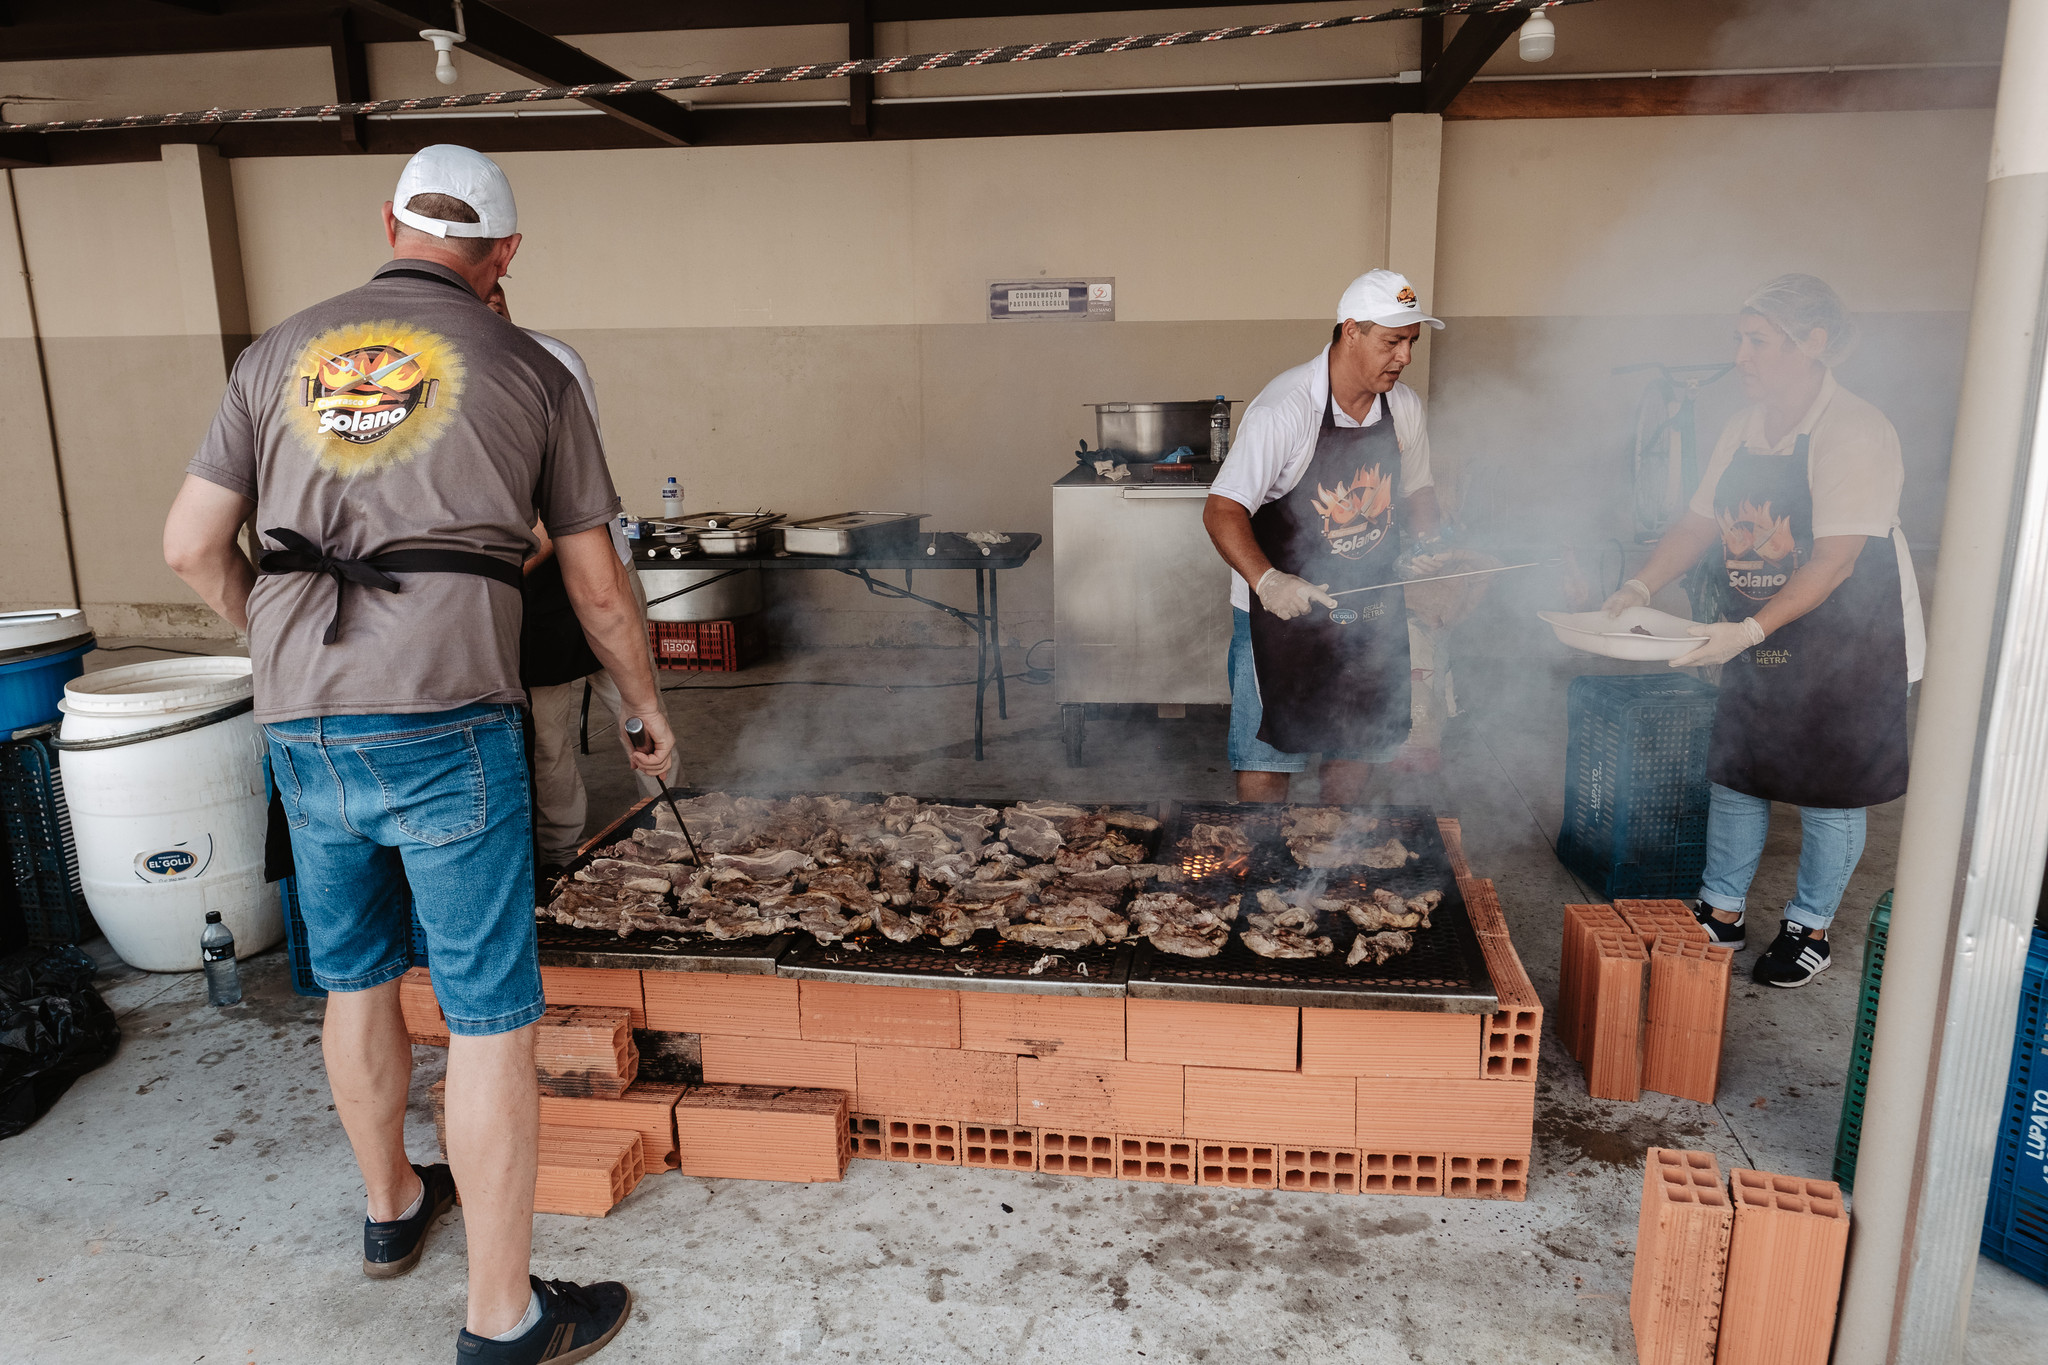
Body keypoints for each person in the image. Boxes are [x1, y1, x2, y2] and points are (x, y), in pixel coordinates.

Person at [163, 143, 669, 1362]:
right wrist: (646, 709)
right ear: (503, 257)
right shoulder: (529, 365)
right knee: (489, 1015)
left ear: (388, 221)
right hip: (447, 715)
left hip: (300, 718)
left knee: (354, 977)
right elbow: (597, 587)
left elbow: (188, 544)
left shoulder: (273, 353)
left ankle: (393, 1209)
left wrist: (284, 648)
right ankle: (503, 1317)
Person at [1607, 273, 1924, 988]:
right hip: (1757, 623)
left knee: (1827, 787)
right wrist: (1638, 585)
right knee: (1740, 771)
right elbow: (1697, 521)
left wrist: (1747, 630)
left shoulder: (1854, 429)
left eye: (1757, 341)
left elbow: (1836, 560)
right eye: (1738, 339)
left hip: (1850, 639)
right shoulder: (1741, 427)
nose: (1740, 355)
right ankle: (1720, 912)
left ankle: (1810, 927)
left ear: (1813, 344)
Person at [1203, 269, 1446, 803]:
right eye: (1392, 342)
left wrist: (1430, 545)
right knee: (1269, 752)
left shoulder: (1402, 407)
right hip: (1281, 616)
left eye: (1411, 343)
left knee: (1355, 747)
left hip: (1371, 609)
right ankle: (1265, 860)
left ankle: (1333, 866)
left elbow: (1418, 492)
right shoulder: (1285, 410)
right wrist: (1267, 582)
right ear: (1351, 330)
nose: (1404, 358)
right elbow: (1222, 510)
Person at [486, 283, 672, 880]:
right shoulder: (439, 379)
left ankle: (676, 828)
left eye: (497, 295)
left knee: (636, 705)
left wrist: (495, 567)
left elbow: (568, 496)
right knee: (546, 739)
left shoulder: (552, 362)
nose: (489, 308)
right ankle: (564, 862)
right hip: (521, 592)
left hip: (588, 562)